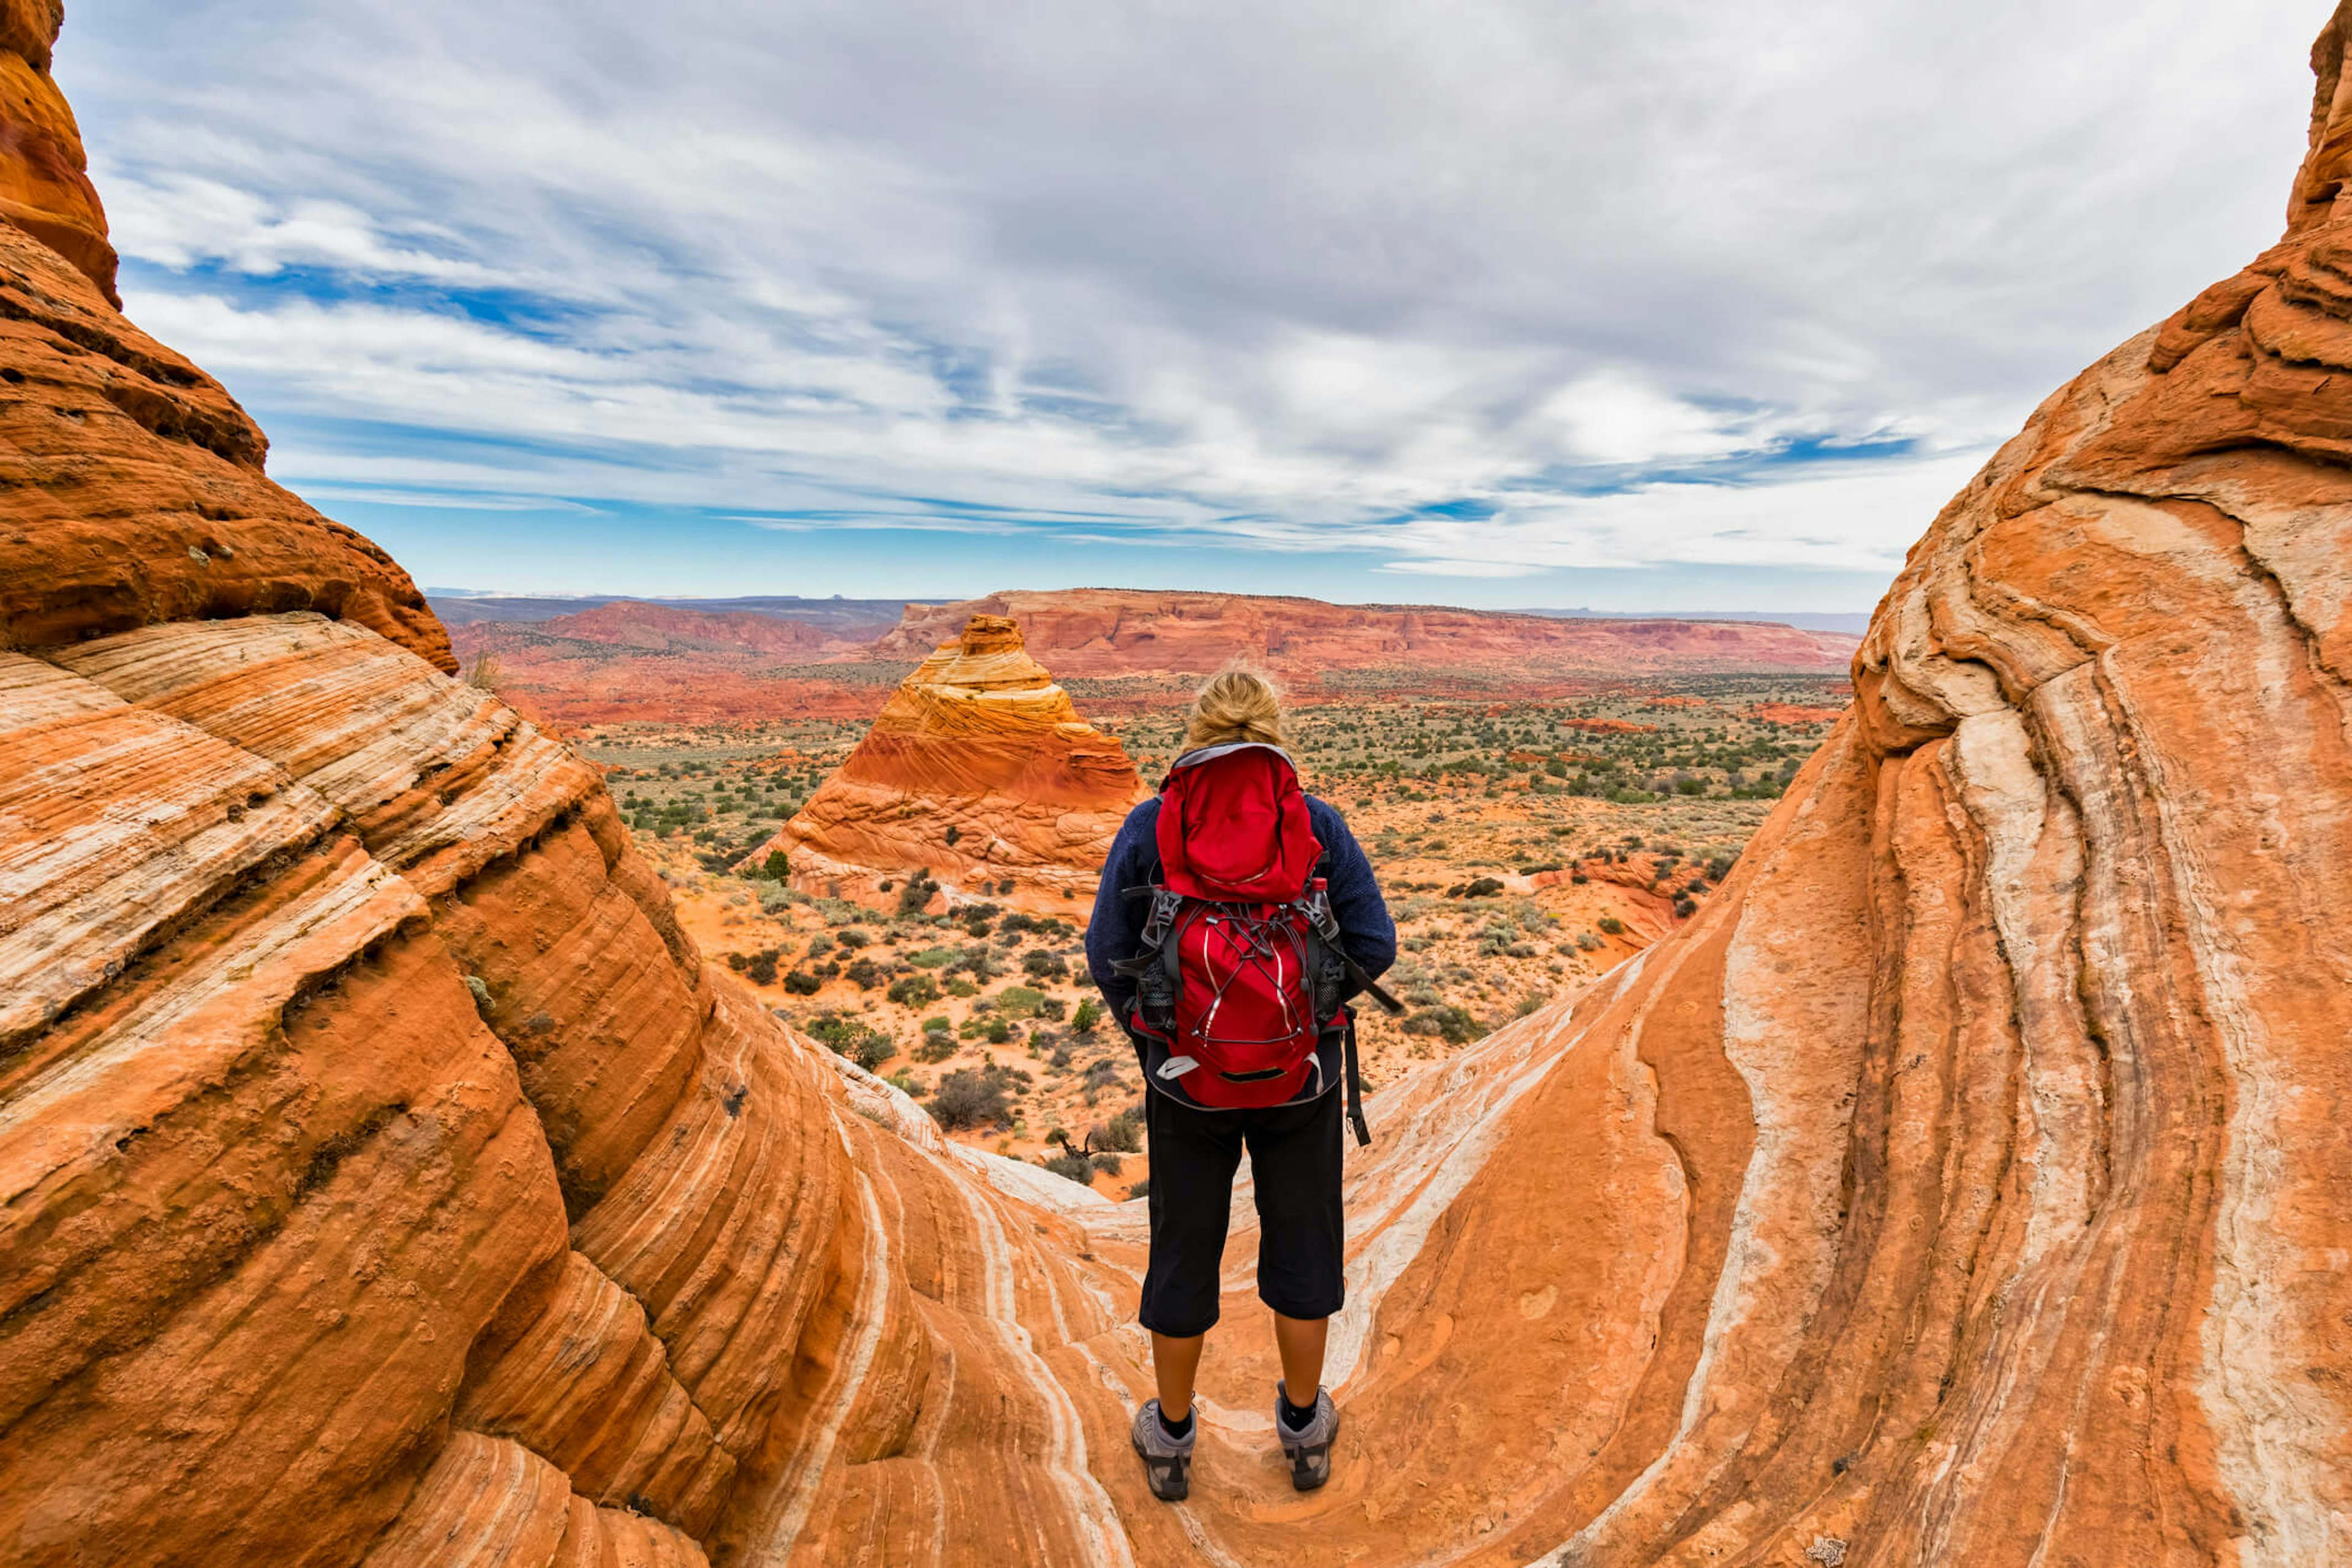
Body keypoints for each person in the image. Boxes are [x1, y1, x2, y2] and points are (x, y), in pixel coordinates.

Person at [1085, 667, 1396, 1502]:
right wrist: (1313, 1019)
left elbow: (1105, 952)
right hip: (1303, 1082)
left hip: (1186, 1086)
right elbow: (1375, 943)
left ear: (1194, 730)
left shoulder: (1154, 825)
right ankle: (1302, 1428)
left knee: (1184, 1250)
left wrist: (1164, 1044)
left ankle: (1174, 1436)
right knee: (1303, 1248)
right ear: (1274, 729)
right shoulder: (1315, 823)